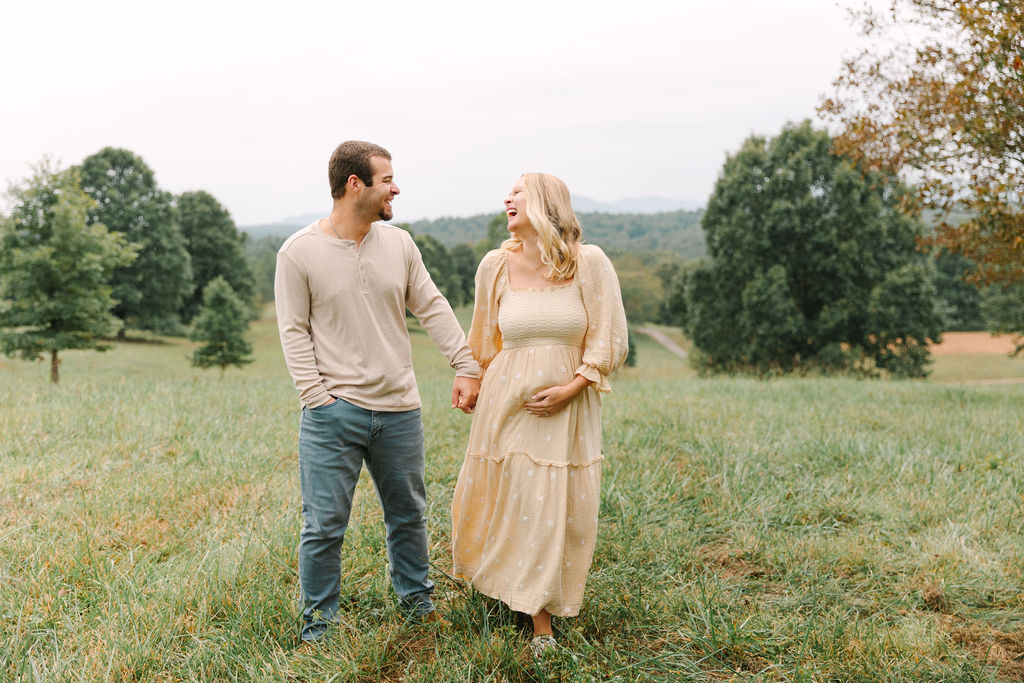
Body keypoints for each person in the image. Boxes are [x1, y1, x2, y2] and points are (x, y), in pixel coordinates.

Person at [275, 140, 481, 643]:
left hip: (399, 410)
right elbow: (293, 331)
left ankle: (417, 602)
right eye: (387, 179)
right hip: (333, 413)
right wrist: (316, 397)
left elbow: (431, 306)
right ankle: (319, 625)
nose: (395, 188)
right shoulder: (298, 252)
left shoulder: (400, 244)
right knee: (323, 525)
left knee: (409, 513)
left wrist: (467, 364)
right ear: (354, 185)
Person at [450, 173, 628, 656]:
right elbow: (484, 338)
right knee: (513, 495)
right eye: (506, 191)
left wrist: (571, 388)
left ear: (546, 202)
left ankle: (540, 617)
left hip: (564, 409)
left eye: (518, 191)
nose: (507, 198)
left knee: (550, 502)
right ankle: (520, 601)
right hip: (505, 404)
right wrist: (471, 381)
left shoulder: (588, 263)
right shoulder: (495, 265)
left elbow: (609, 340)